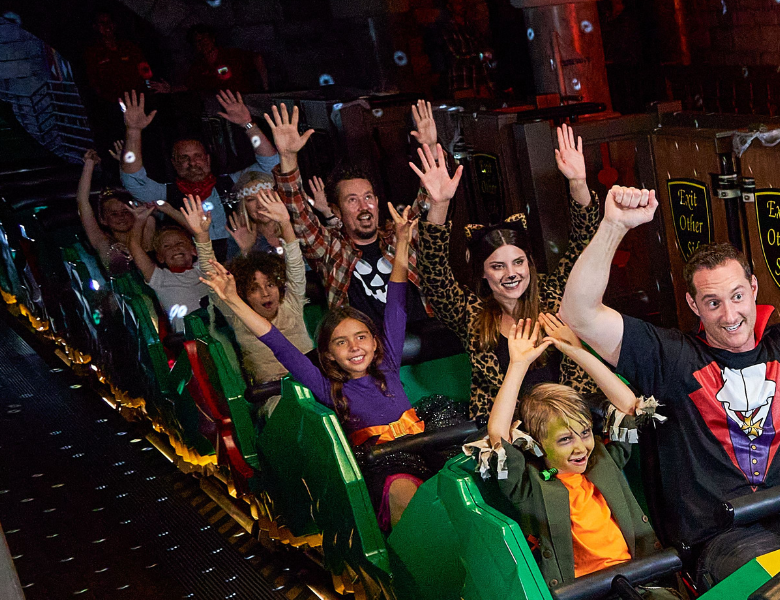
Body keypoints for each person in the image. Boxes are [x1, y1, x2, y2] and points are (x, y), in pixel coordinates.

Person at [559, 181, 780, 586]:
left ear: (753, 290)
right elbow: (578, 312)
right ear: (694, 305)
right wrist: (613, 225)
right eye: (713, 303)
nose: (729, 314)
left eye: (736, 296)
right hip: (725, 540)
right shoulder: (670, 357)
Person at [480, 314, 681, 600]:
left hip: (638, 577)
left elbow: (632, 406)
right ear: (538, 447)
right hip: (585, 598)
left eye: (585, 433)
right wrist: (518, 365)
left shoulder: (604, 460)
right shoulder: (533, 486)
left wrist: (578, 352)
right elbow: (498, 438)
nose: (580, 447)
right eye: (565, 439)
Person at [201, 201, 435, 525]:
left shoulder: (389, 365)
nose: (354, 347)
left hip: (426, 445)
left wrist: (404, 241)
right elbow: (279, 345)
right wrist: (234, 301)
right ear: (328, 355)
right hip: (384, 464)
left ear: (375, 341)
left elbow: (395, 304)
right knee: (404, 494)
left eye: (361, 337)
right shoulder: (327, 387)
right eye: (342, 342)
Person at [408, 117, 603, 415]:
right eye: (497, 266)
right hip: (510, 436)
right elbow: (434, 273)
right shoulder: (471, 316)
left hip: (572, 423)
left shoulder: (553, 296)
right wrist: (439, 206)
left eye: (518, 262)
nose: (511, 273)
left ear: (530, 264)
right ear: (483, 273)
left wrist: (578, 184)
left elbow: (585, 243)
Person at [265, 101, 424, 325]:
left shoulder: (400, 237)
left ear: (377, 203)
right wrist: (288, 158)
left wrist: (431, 145)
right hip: (366, 351)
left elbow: (429, 205)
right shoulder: (332, 250)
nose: (363, 206)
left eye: (368, 197)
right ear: (336, 211)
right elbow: (299, 214)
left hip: (424, 344)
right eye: (352, 200)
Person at [118, 88, 278, 260]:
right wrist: (133, 131)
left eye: (198, 156)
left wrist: (247, 124)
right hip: (197, 265)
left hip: (242, 254)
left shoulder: (232, 182)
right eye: (184, 158)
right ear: (174, 163)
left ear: (208, 160)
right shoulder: (166, 193)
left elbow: (272, 164)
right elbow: (132, 179)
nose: (192, 163)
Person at [205, 187, 313, 403]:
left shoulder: (290, 304)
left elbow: (295, 266)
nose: (265, 293)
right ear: (245, 295)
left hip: (313, 386)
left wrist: (285, 223)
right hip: (274, 396)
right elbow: (214, 279)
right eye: (255, 289)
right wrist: (201, 236)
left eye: (270, 284)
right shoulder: (239, 315)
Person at [75, 148, 150, 278]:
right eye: (113, 214)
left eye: (125, 211)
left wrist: (125, 165)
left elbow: (144, 194)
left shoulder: (149, 228)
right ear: (103, 219)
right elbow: (82, 201)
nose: (121, 217)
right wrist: (89, 163)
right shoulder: (103, 243)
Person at [129, 211, 210, 325]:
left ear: (193, 250)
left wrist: (168, 208)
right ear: (160, 257)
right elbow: (135, 247)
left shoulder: (204, 267)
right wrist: (140, 220)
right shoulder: (160, 278)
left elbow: (199, 234)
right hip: (188, 338)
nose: (175, 248)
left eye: (180, 243)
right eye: (167, 246)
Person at [426, 0, 495, 100]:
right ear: (449, 6)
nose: (462, 6)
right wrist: (480, 57)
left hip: (480, 86)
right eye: (458, 3)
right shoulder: (447, 29)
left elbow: (486, 52)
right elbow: (454, 58)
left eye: (463, 2)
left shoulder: (471, 28)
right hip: (462, 85)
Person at [180, 25, 265, 95]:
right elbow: (188, 85)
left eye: (204, 39)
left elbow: (257, 58)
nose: (202, 44)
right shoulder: (197, 66)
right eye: (197, 41)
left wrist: (265, 88)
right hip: (215, 105)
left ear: (212, 39)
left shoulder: (232, 54)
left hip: (242, 99)